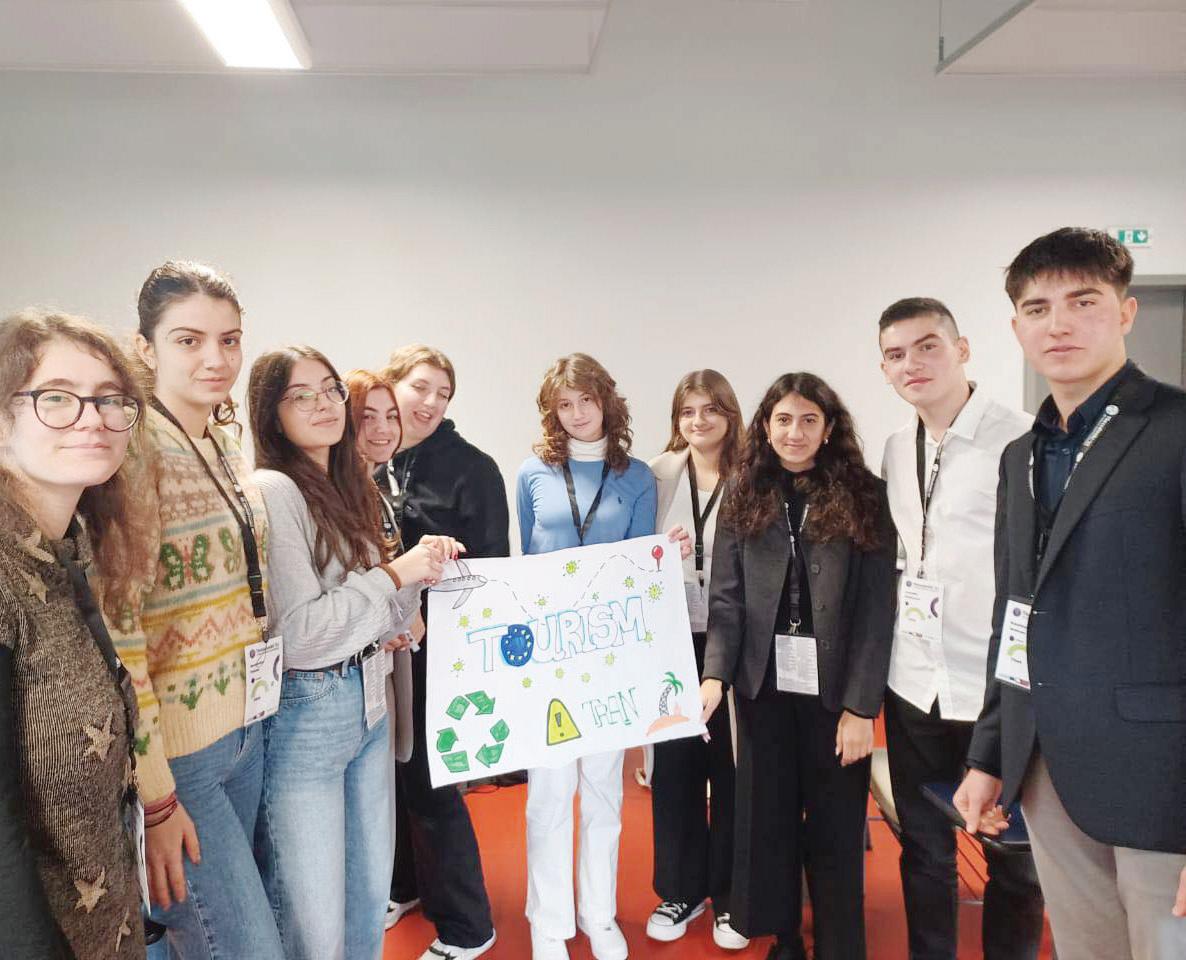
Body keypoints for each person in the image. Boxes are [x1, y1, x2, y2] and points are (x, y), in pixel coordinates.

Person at [954, 227, 1186, 960]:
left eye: (1082, 302)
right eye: (1037, 308)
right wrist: (990, 753)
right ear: (1016, 326)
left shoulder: (1175, 429)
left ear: (1125, 311)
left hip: (1161, 779)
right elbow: (1015, 611)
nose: (1058, 324)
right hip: (1047, 765)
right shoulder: (1021, 455)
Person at [248, 346, 450, 960]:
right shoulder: (274, 488)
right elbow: (302, 635)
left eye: (331, 389)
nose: (323, 404)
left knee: (367, 903)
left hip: (370, 697)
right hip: (308, 715)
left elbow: (378, 610)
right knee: (315, 923)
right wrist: (394, 577)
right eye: (301, 395)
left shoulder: (349, 485)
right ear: (270, 411)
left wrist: (412, 587)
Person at [113, 261, 284, 958]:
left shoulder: (223, 440)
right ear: (145, 347)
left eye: (229, 339)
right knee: (242, 944)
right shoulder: (129, 451)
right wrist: (155, 796)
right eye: (189, 340)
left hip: (246, 728)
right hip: (180, 757)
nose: (216, 359)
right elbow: (120, 634)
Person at [701, 372, 896, 960]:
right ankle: (784, 937)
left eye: (809, 420)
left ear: (829, 428)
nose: (795, 432)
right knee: (770, 818)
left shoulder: (865, 494)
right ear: (765, 426)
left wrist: (862, 708)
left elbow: (875, 611)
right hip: (762, 686)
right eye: (783, 419)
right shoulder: (743, 492)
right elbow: (727, 599)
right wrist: (715, 675)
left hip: (835, 692)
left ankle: (839, 945)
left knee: (836, 823)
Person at [878, 297, 1045, 960]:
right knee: (923, 848)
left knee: (1012, 857)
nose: (912, 364)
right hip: (914, 679)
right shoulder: (897, 447)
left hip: (994, 687)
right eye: (896, 354)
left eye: (927, 346)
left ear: (963, 349)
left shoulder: (1022, 440)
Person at [0, 310, 149, 960]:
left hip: (105, 922)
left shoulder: (70, 545)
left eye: (110, 399)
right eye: (57, 397)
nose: (93, 418)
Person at [516, 352, 660, 960]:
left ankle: (598, 913)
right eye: (564, 404)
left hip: (609, 655)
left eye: (587, 401)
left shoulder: (638, 476)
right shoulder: (532, 473)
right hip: (548, 656)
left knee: (603, 789)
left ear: (607, 402)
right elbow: (527, 560)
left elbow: (641, 564)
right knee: (549, 792)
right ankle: (548, 921)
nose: (576, 414)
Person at [376, 344, 505, 960]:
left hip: (442, 651)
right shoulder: (370, 461)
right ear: (392, 386)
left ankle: (467, 925)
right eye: (420, 387)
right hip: (380, 644)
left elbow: (494, 569)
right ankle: (406, 885)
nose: (430, 403)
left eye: (443, 394)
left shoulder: (473, 469)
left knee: (430, 780)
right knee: (393, 774)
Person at [645, 369, 748, 950]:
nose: (698, 421)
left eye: (710, 409)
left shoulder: (754, 473)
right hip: (673, 638)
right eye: (687, 411)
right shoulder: (658, 474)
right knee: (676, 769)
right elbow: (634, 551)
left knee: (734, 770)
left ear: (730, 413)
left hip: (738, 641)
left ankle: (733, 892)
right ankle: (681, 889)